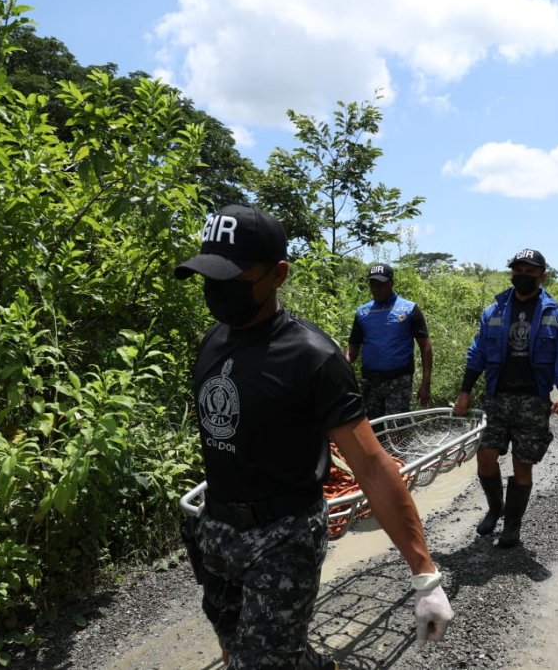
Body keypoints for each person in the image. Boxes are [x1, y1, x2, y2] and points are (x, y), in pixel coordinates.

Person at [175, 205, 454, 670]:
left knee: (259, 663)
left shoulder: (312, 357)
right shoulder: (213, 342)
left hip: (283, 539)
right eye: (209, 275)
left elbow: (371, 466)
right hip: (218, 531)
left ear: (278, 274)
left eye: (233, 277)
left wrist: (425, 575)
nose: (217, 289)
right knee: (233, 643)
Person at [451, 248, 558, 548]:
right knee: (485, 457)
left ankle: (512, 524)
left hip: (532, 401)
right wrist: (465, 392)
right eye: (518, 271)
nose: (523, 276)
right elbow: (477, 354)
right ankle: (495, 508)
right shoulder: (494, 311)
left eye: (530, 271)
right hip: (496, 397)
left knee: (522, 465)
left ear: (542, 276)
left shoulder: (556, 315)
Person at [344, 263, 433, 419]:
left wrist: (425, 383)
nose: (376, 288)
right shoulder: (362, 312)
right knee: (373, 426)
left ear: (391, 283)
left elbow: (425, 346)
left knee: (396, 426)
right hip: (370, 381)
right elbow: (353, 347)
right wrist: (342, 365)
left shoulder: (409, 309)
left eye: (381, 284)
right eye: (373, 284)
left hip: (399, 380)